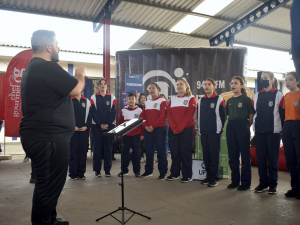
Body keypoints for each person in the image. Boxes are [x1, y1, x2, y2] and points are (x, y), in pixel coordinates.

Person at [20, 30, 85, 225]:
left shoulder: (36, 67)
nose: (59, 47)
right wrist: (80, 76)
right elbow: (75, 89)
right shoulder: (45, 66)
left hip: (46, 137)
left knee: (48, 186)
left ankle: (50, 219)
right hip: (48, 138)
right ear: (48, 47)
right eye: (56, 43)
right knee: (47, 188)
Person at [252, 72, 284, 195]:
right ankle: (263, 183)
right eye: (262, 78)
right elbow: (254, 113)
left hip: (273, 133)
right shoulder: (256, 96)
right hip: (259, 132)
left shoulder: (279, 95)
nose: (263, 80)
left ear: (272, 80)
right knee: (261, 159)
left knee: (273, 159)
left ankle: (272, 185)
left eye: (265, 78)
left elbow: (282, 115)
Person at [226, 76, 253, 191]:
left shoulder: (247, 99)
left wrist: (246, 126)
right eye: (232, 83)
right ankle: (235, 181)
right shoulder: (229, 101)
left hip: (243, 125)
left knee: (245, 155)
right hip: (231, 125)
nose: (233, 85)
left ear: (242, 85)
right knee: (233, 155)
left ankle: (246, 182)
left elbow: (251, 116)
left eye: (236, 83)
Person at [166, 78, 197, 183]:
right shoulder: (173, 99)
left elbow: (189, 115)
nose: (179, 86)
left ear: (186, 86)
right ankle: (174, 173)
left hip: (186, 129)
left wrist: (179, 128)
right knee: (174, 152)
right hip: (173, 130)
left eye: (181, 84)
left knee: (185, 152)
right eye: (177, 84)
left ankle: (187, 175)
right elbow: (168, 114)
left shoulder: (191, 98)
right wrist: (174, 128)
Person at [197, 78, 226, 187]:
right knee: (206, 156)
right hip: (203, 132)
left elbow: (223, 117)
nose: (206, 86)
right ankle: (208, 176)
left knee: (214, 156)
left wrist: (218, 129)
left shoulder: (219, 100)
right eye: (205, 84)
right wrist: (199, 130)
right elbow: (199, 117)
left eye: (209, 84)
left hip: (214, 132)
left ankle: (214, 178)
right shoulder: (200, 101)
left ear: (214, 86)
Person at [140, 83, 168, 179]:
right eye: (150, 88)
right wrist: (146, 126)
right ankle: (148, 171)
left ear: (158, 89)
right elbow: (142, 116)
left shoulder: (162, 101)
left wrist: (153, 126)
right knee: (148, 151)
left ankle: (163, 172)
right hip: (148, 130)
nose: (151, 89)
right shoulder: (147, 102)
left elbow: (162, 116)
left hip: (159, 129)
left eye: (153, 88)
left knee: (161, 151)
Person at [280, 71, 300, 199]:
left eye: (291, 79)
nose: (287, 82)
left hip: (298, 125)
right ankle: (295, 188)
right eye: (286, 79)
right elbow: (282, 113)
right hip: (287, 126)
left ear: (297, 81)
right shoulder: (285, 96)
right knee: (290, 159)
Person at [90, 78, 116, 177]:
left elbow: (113, 112)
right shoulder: (93, 97)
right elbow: (94, 112)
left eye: (104, 84)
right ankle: (97, 171)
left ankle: (107, 170)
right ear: (98, 86)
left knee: (108, 149)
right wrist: (100, 124)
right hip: (96, 127)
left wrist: (108, 124)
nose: (103, 86)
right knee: (96, 148)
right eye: (100, 84)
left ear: (107, 86)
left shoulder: (112, 98)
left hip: (109, 126)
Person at [117, 92, 143, 177]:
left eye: (133, 99)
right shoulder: (123, 110)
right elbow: (119, 123)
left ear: (136, 100)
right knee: (125, 154)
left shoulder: (139, 110)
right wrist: (120, 133)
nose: (131, 100)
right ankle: (124, 170)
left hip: (136, 136)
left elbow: (142, 123)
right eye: (129, 99)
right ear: (127, 100)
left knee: (136, 154)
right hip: (126, 136)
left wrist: (142, 134)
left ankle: (137, 171)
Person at [69, 92, 92, 180]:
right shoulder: (69, 101)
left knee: (82, 152)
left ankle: (81, 173)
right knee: (73, 152)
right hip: (73, 131)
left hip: (84, 131)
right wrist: (72, 126)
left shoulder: (87, 102)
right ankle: (72, 173)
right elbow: (67, 115)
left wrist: (87, 126)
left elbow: (90, 116)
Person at [138, 93, 147, 162]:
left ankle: (149, 157)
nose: (143, 99)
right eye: (142, 98)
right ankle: (141, 156)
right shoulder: (138, 107)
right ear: (139, 99)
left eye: (144, 98)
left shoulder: (148, 106)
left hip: (147, 126)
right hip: (140, 126)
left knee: (148, 143)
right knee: (141, 143)